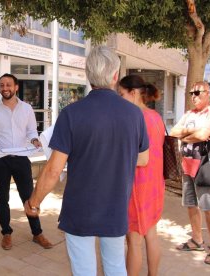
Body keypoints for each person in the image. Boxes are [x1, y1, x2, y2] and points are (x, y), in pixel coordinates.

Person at [24, 46, 149, 276]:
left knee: (83, 270)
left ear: (89, 75)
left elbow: (53, 170)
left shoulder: (72, 114)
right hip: (116, 206)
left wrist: (34, 202)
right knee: (115, 267)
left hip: (80, 209)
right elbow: (143, 158)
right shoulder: (134, 115)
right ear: (114, 76)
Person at [0, 73, 53, 250]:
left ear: (16, 87)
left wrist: (35, 140)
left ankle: (37, 233)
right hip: (1, 159)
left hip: (21, 159)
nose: (5, 88)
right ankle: (6, 233)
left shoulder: (27, 109)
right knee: (2, 197)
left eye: (8, 85)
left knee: (29, 197)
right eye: (1, 85)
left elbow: (31, 132)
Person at [118, 75, 165, 275]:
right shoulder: (155, 117)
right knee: (151, 234)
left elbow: (135, 157)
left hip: (138, 186)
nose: (119, 99)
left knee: (134, 241)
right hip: (155, 184)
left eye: (121, 94)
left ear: (134, 93)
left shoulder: (134, 118)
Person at [170, 81, 210, 265]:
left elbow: (202, 135)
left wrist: (186, 134)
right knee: (191, 204)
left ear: (208, 93)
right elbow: (174, 131)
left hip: (204, 167)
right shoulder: (189, 114)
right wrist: (191, 131)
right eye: (191, 93)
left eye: (198, 92)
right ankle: (197, 239)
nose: (194, 96)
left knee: (209, 208)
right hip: (187, 166)